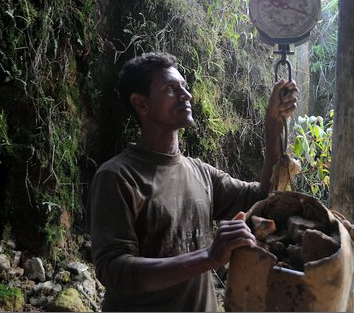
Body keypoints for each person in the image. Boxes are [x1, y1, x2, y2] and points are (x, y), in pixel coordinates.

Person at [87, 52, 297, 311]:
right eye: (170, 89)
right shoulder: (118, 176)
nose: (186, 95)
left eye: (184, 87)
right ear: (141, 104)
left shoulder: (201, 173)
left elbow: (265, 198)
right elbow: (114, 269)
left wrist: (273, 125)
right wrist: (208, 256)